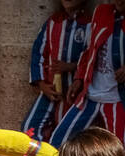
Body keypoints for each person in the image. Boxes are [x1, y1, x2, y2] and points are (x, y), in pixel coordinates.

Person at [52, 0, 125, 148]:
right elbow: (89, 49)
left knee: (122, 149)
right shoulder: (101, 12)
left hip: (119, 98)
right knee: (59, 140)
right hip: (90, 94)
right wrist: (79, 79)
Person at [23, 0, 93, 143]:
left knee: (64, 134)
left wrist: (72, 67)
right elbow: (38, 52)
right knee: (30, 128)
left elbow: (90, 54)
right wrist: (41, 84)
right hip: (50, 89)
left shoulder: (89, 24)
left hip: (74, 93)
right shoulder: (53, 22)